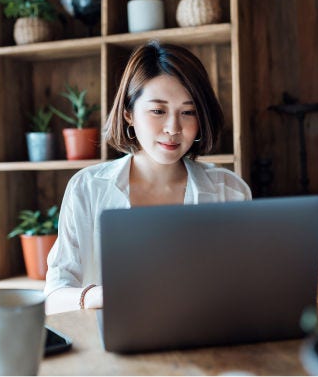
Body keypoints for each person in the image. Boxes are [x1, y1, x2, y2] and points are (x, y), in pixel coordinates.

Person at [44, 40, 251, 314]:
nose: (173, 128)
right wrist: (98, 296)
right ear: (129, 113)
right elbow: (54, 295)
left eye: (188, 112)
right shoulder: (88, 187)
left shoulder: (229, 190)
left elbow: (247, 288)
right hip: (112, 344)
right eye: (158, 111)